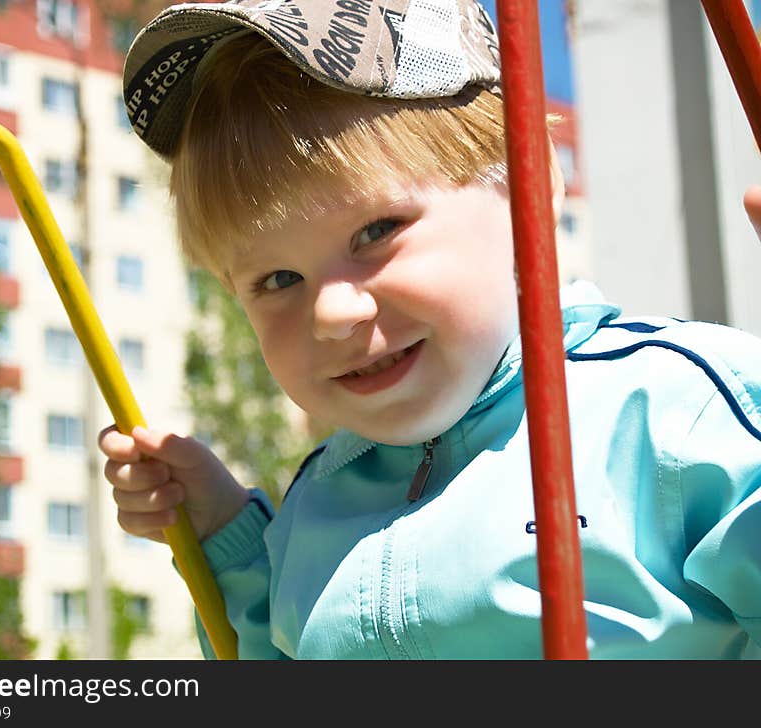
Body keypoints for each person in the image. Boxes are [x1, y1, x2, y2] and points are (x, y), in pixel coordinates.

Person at [99, 0, 761, 659]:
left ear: (530, 182)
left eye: (377, 231)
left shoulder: (671, 413)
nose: (332, 314)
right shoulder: (317, 501)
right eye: (277, 280)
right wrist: (225, 536)